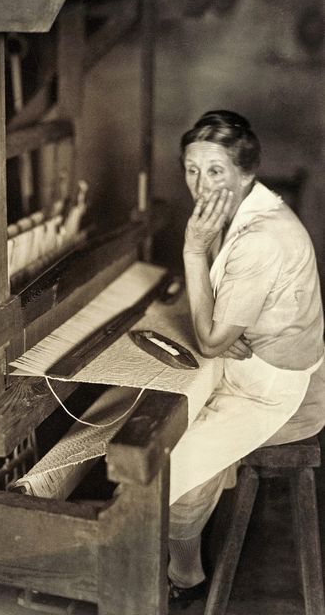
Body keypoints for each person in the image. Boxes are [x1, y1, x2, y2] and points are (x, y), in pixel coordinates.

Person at [166, 110, 325, 606]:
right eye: (192, 170)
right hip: (258, 365)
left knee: (172, 457)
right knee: (169, 411)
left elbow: (211, 340)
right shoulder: (251, 211)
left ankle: (184, 576)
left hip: (281, 390)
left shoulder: (260, 236)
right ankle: (186, 554)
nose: (200, 184)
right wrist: (221, 329)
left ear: (244, 172)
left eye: (215, 171)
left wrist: (194, 252)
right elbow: (218, 327)